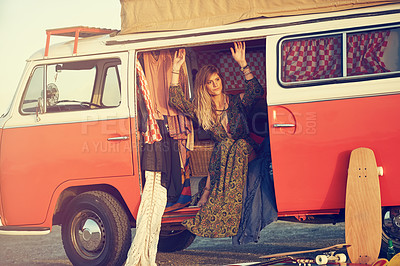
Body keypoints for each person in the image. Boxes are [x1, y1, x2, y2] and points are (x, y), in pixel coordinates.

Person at [169, 42, 264, 238]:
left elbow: (256, 91)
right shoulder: (203, 111)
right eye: (210, 82)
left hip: (246, 150)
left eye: (217, 79)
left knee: (234, 144)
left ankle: (219, 202)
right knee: (224, 145)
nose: (216, 84)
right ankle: (212, 199)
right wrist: (176, 69)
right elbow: (175, 100)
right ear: (204, 86)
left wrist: (243, 63)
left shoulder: (236, 101)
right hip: (224, 157)